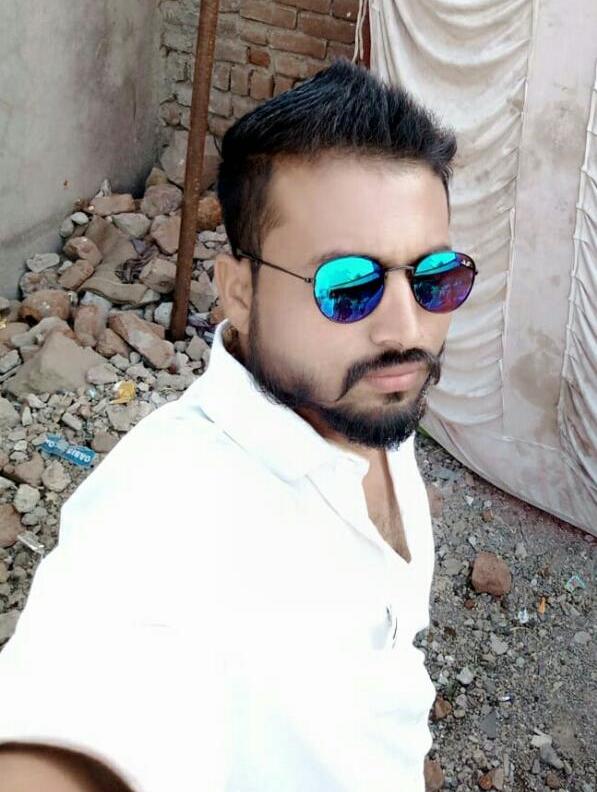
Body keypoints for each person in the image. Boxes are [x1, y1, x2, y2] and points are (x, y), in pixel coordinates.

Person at [0, 59, 476, 791]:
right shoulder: (162, 511)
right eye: (348, 286)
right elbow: (66, 717)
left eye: (434, 277)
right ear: (239, 292)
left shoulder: (361, 399)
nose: (406, 329)